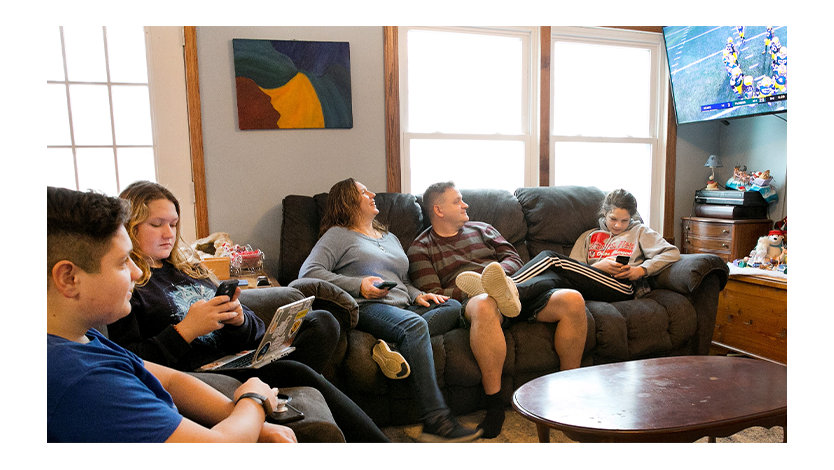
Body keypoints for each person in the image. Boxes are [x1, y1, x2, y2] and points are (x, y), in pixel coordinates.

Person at [108, 180, 388, 443]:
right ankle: (378, 445)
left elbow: (252, 333)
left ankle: (288, 391)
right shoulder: (128, 285)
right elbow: (130, 362)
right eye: (157, 224)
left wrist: (239, 320)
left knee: (323, 321)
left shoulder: (188, 268)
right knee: (297, 371)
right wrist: (186, 331)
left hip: (239, 357)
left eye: (173, 224)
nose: (169, 233)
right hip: (202, 375)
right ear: (129, 227)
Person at [47, 186, 295, 442]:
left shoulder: (81, 337)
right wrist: (253, 398)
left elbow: (171, 381)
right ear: (68, 278)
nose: (136, 272)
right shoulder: (84, 379)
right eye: (123, 262)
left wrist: (246, 421)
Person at [298, 178, 482, 443]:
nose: (372, 194)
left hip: (403, 306)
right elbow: (308, 273)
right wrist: (359, 285)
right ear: (347, 201)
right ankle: (436, 420)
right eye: (363, 192)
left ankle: (392, 349)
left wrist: (421, 295)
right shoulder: (338, 235)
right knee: (414, 326)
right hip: (369, 307)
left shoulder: (390, 237)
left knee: (452, 306)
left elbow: (404, 281)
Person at [407, 182, 587, 438]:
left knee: (572, 299)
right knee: (484, 303)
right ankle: (495, 406)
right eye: (457, 201)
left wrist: (500, 277)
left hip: (513, 288)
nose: (465, 204)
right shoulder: (421, 247)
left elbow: (514, 258)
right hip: (474, 301)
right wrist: (482, 289)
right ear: (438, 209)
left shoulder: (483, 228)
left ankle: (570, 389)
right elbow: (436, 296)